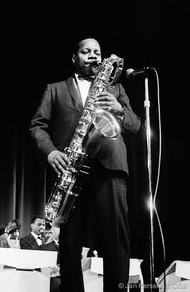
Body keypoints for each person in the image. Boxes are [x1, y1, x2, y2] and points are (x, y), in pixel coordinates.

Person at [29, 37, 141, 292]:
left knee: (115, 241)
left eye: (97, 52)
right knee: (70, 245)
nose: (93, 55)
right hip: (71, 170)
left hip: (109, 169)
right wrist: (50, 153)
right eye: (86, 51)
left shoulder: (116, 88)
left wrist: (119, 109)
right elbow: (38, 126)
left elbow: (135, 125)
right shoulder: (54, 88)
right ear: (74, 57)